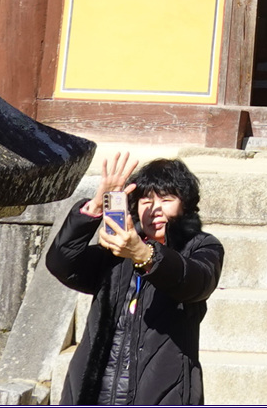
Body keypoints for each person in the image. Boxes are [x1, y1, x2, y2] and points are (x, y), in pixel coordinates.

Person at [45, 151, 225, 405]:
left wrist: (144, 255)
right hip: (93, 392)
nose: (155, 209)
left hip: (160, 394)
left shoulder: (201, 247)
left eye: (166, 199)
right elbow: (61, 262)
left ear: (184, 205)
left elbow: (195, 282)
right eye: (145, 200)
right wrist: (97, 204)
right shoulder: (116, 252)